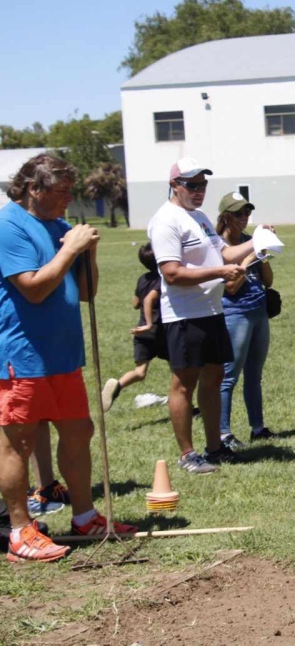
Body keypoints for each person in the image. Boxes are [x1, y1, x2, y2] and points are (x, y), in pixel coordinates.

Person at [0, 154, 136, 563]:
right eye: (61, 192)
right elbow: (34, 289)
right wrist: (70, 249)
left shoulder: (60, 227)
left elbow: (87, 293)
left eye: (70, 191)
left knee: (79, 433)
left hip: (64, 356)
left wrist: (87, 253)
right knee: (18, 444)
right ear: (32, 189)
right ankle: (22, 531)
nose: (69, 199)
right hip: (23, 356)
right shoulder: (9, 226)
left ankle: (85, 516)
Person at [147, 158, 256, 474]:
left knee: (214, 378)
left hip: (212, 310)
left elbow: (223, 253)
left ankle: (215, 447)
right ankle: (187, 454)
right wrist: (220, 272)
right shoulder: (166, 220)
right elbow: (171, 273)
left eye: (203, 185)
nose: (199, 191)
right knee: (184, 383)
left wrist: (256, 243)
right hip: (184, 315)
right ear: (174, 185)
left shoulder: (199, 217)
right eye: (192, 185)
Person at [216, 192, 275, 449]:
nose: (245, 218)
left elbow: (268, 280)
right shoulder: (219, 246)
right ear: (226, 216)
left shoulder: (250, 241)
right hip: (235, 313)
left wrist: (263, 252)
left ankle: (258, 428)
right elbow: (230, 287)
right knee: (229, 375)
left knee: (255, 374)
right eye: (239, 213)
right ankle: (223, 433)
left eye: (247, 213)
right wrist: (251, 257)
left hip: (258, 310)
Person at [101, 243, 170, 412]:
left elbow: (136, 302)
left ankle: (118, 385)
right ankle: (185, 406)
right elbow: (148, 300)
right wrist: (149, 323)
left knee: (140, 372)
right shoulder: (162, 279)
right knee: (179, 372)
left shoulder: (142, 278)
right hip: (158, 331)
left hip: (142, 333)